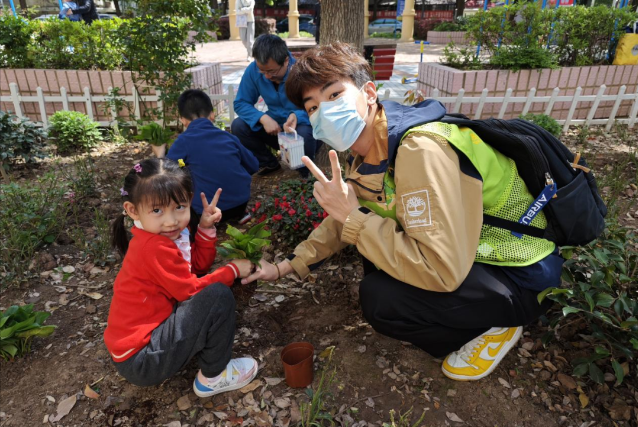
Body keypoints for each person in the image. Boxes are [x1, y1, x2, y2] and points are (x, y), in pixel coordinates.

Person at [241, 42, 565, 381]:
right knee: (375, 256)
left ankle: (495, 325)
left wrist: (354, 219)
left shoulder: (419, 150)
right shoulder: (370, 147)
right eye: (313, 107)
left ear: (369, 93)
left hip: (522, 272)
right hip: (477, 256)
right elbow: (346, 216)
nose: (325, 112)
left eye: (334, 95)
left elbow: (441, 269)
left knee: (381, 299)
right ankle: (471, 313)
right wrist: (285, 267)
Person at [104, 158, 259, 397]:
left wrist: (205, 227)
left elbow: (196, 267)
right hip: (142, 359)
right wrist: (232, 271)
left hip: (142, 347)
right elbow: (190, 290)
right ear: (133, 210)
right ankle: (213, 377)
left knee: (210, 287)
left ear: (189, 199)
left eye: (179, 207)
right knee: (218, 295)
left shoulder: (162, 235)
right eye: (157, 210)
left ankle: (192, 348)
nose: (171, 220)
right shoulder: (153, 247)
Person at [231, 34, 322, 177]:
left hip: (302, 130)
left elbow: (318, 106)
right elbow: (240, 103)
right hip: (276, 129)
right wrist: (262, 118)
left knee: (304, 131)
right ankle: (269, 163)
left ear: (286, 60)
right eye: (262, 71)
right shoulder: (253, 70)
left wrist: (297, 116)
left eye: (272, 71)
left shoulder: (303, 72)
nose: (267, 76)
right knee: (238, 126)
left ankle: (305, 173)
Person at [166, 89, 259, 227]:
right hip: (240, 203)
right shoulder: (228, 137)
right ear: (212, 114)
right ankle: (240, 215)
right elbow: (253, 165)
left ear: (183, 120)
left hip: (206, 210)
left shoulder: (183, 141)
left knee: (183, 173)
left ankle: (203, 223)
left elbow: (166, 170)